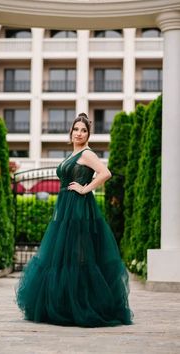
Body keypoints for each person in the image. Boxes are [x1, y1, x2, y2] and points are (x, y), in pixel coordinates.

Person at [15, 113, 133, 327]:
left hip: (79, 209)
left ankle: (83, 305)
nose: (79, 133)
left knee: (79, 255)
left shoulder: (87, 154)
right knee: (64, 256)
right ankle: (64, 305)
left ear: (88, 134)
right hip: (66, 209)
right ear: (71, 132)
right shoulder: (74, 153)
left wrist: (85, 188)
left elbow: (105, 173)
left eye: (84, 130)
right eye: (76, 129)